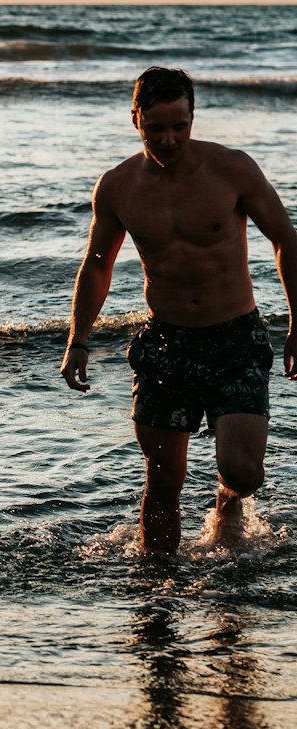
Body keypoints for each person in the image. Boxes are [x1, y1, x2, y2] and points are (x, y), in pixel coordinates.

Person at [60, 66, 297, 554]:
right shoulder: (118, 186)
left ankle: (226, 504)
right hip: (166, 342)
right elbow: (98, 264)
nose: (169, 139)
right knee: (164, 480)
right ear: (135, 120)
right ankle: (157, 591)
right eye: (156, 128)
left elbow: (285, 239)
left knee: (244, 472)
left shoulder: (233, 169)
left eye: (179, 126)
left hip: (236, 338)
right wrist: (77, 340)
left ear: (193, 118)